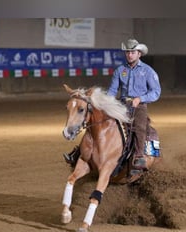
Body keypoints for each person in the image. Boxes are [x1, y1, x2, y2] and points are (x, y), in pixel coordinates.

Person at [63, 38, 161, 171]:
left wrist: (140, 98)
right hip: (121, 104)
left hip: (139, 106)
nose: (130, 55)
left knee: (139, 126)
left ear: (139, 54)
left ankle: (138, 156)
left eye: (132, 52)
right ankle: (80, 152)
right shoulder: (120, 71)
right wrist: (105, 103)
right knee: (96, 120)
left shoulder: (148, 71)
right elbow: (113, 91)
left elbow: (156, 92)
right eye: (127, 52)